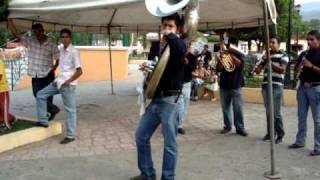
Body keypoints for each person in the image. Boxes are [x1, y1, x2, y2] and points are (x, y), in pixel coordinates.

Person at [131, 13, 187, 180]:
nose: (167, 29)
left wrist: (170, 36)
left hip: (171, 100)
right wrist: (146, 68)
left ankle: (168, 177)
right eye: (165, 26)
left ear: (177, 29)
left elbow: (181, 50)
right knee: (141, 136)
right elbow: (154, 68)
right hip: (156, 99)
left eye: (171, 26)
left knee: (170, 144)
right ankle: (147, 173)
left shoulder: (178, 45)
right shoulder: (157, 46)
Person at [35, 29, 83, 144]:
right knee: (40, 95)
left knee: (70, 110)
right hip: (58, 82)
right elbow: (59, 63)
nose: (64, 39)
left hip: (68, 84)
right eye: (62, 37)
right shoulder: (60, 49)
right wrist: (56, 76)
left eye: (66, 37)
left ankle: (70, 135)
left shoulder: (74, 52)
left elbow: (80, 71)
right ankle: (43, 121)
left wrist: (69, 81)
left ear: (70, 38)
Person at [7, 19, 60, 121]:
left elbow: (58, 59)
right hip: (35, 75)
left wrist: (53, 69)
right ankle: (53, 109)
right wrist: (9, 21)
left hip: (48, 75)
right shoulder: (31, 41)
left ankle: (47, 116)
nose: (37, 34)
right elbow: (17, 34)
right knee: (37, 94)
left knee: (48, 96)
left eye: (39, 31)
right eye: (34, 32)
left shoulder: (51, 44)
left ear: (43, 31)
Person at [289, 30, 320, 156]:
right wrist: (298, 67)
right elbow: (296, 68)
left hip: (316, 88)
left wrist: (311, 66)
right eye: (308, 39)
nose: (309, 42)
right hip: (302, 88)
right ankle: (300, 141)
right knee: (301, 116)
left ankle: (318, 147)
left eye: (312, 39)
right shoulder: (304, 53)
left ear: (318, 40)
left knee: (317, 120)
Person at [254, 36, 288, 144]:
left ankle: (280, 134)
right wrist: (258, 66)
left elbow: (282, 70)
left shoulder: (283, 55)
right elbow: (258, 71)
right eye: (270, 43)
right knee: (268, 112)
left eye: (273, 42)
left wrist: (270, 62)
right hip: (265, 85)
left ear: (279, 44)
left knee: (276, 112)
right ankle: (270, 133)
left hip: (276, 85)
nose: (271, 44)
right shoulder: (266, 55)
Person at [216, 36, 248, 136]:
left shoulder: (240, 54)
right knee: (225, 107)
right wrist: (221, 59)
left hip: (236, 84)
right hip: (224, 84)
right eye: (230, 44)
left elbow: (240, 65)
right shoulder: (224, 54)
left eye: (233, 45)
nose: (231, 46)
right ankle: (227, 126)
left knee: (237, 108)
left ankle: (240, 128)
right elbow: (219, 68)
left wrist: (230, 54)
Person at [177, 46, 197, 135]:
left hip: (186, 84)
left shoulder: (192, 57)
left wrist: (187, 62)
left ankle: (179, 125)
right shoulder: (176, 55)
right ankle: (175, 125)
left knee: (185, 107)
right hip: (177, 84)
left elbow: (192, 68)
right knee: (178, 107)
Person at [0, 58, 15, 129]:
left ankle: (7, 124)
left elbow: (0, 76)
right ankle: (11, 118)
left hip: (2, 90)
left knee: (4, 108)